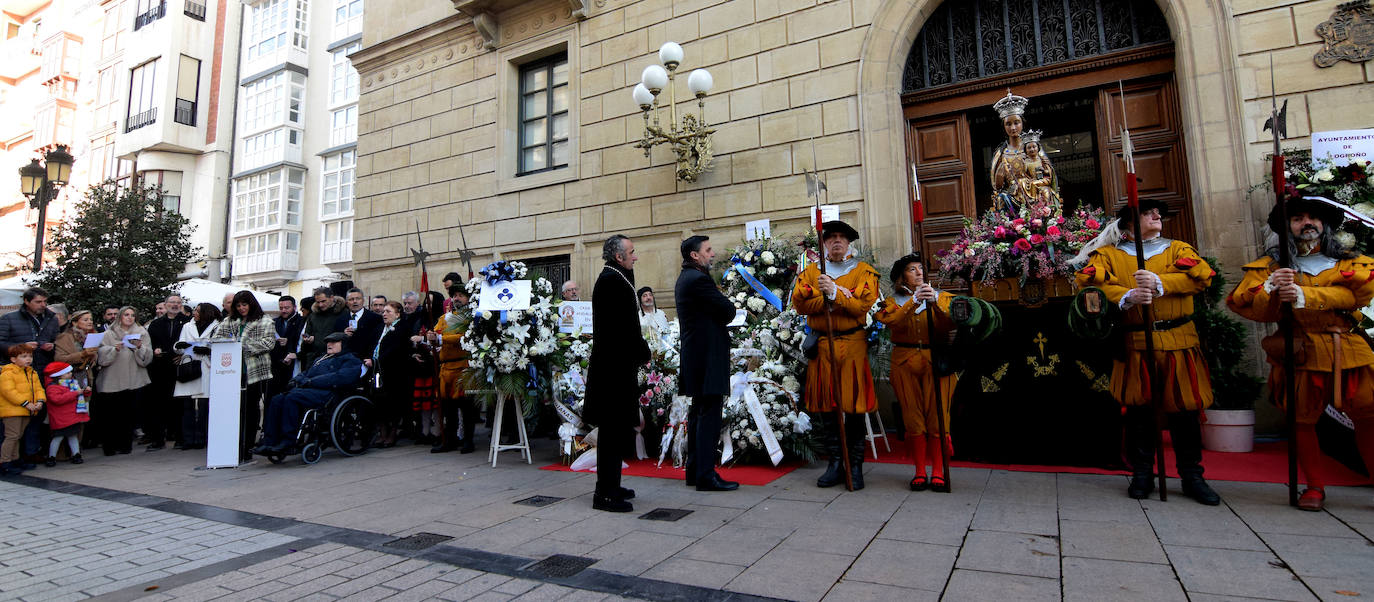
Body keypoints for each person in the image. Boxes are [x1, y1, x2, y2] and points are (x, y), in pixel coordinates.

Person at [1228, 196, 1374, 511]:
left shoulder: (1350, 261)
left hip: (1348, 348)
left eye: (1312, 218)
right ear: (1286, 228)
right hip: (1301, 351)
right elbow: (1250, 307)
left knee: (1369, 417)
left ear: (1325, 225)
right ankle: (1315, 487)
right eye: (1297, 219)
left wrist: (1306, 294)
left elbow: (1358, 293)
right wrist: (1271, 289)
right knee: (1302, 421)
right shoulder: (1270, 266)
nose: (1306, 223)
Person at [1074, 199, 1220, 505]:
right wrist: (1126, 295)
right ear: (1130, 221)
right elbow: (1088, 284)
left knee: (1185, 412)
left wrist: (1160, 282)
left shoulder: (1179, 249)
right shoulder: (1107, 255)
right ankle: (1143, 474)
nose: (1157, 216)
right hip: (1137, 343)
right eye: (1148, 213)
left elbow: (1202, 278)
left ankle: (1192, 475)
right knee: (1139, 413)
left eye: (1158, 213)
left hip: (1180, 342)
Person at [792, 220, 880, 490]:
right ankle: (835, 463)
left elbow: (861, 305)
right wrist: (830, 297)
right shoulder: (811, 273)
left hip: (852, 345)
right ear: (825, 243)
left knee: (854, 408)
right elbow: (800, 303)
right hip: (823, 347)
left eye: (842, 237)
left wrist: (836, 296)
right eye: (832, 238)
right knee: (828, 410)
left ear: (849, 242)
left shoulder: (865, 272)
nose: (837, 241)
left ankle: (855, 465)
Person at [875, 253, 958, 492]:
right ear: (902, 276)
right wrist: (913, 302)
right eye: (912, 269)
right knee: (913, 417)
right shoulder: (892, 302)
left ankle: (939, 471)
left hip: (936, 362)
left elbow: (952, 322)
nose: (919, 272)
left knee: (938, 416)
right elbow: (892, 322)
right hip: (904, 364)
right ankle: (920, 471)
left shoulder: (941, 297)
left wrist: (934, 303)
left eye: (921, 268)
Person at [584, 234, 651, 512]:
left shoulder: (618, 277)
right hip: (612, 370)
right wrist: (642, 351)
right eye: (631, 252)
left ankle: (613, 483)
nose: (635, 256)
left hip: (619, 366)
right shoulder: (611, 281)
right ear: (618, 256)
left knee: (619, 428)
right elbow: (622, 328)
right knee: (611, 432)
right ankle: (605, 493)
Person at [674, 235, 739, 492]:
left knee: (699, 412)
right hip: (707, 357)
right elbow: (728, 311)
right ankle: (705, 475)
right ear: (694, 255)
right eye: (708, 250)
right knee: (709, 414)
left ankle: (695, 471)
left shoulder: (687, 277)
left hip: (697, 356)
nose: (712, 254)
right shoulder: (699, 279)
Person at [253, 332, 362, 455]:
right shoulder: (321, 358)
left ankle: (288, 441)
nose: (329, 344)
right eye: (328, 342)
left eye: (333, 342)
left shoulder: (351, 360)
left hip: (329, 394)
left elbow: (339, 378)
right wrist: (296, 380)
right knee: (277, 399)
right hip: (310, 389)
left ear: (344, 344)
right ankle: (270, 441)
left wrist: (311, 382)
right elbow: (306, 373)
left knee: (292, 398)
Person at [0, 287, 60, 463]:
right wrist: (21, 346)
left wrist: (51, 347)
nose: (43, 305)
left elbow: (56, 340)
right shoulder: (9, 319)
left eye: (44, 301)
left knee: (37, 415)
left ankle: (30, 452)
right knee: (14, 421)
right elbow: (1, 343)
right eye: (38, 302)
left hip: (40, 372)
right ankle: (8, 459)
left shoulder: (51, 319)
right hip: (16, 375)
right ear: (26, 301)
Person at [219, 291, 277, 462]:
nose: (242, 308)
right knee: (234, 410)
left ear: (251, 304)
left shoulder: (265, 320)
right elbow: (217, 338)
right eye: (238, 305)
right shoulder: (230, 320)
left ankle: (248, 446)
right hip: (230, 372)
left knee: (250, 410)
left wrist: (240, 344)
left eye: (244, 304)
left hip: (254, 372)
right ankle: (232, 445)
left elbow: (268, 343)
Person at [96, 307, 152, 455]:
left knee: (128, 414)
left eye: (133, 315)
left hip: (133, 379)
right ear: (120, 317)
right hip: (111, 380)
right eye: (126, 315)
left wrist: (139, 347)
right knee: (110, 416)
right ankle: (109, 447)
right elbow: (100, 355)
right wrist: (114, 349)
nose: (130, 317)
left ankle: (125, 445)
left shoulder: (142, 333)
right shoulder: (108, 333)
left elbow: (147, 358)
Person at [432, 283, 476, 453]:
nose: (456, 298)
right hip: (446, 368)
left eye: (460, 295)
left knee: (466, 407)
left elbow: (466, 336)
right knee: (448, 408)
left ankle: (468, 441)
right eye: (454, 295)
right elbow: (436, 333)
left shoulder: (472, 317)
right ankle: (449, 440)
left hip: (463, 365)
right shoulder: (445, 318)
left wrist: (442, 339)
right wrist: (430, 337)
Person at [144, 294, 190, 451]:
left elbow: (191, 343)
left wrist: (182, 355)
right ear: (166, 304)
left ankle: (179, 438)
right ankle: (158, 439)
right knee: (158, 405)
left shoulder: (187, 323)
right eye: (172, 302)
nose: (175, 305)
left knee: (179, 405)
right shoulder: (156, 324)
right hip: (159, 368)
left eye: (178, 302)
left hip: (178, 367)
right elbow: (150, 342)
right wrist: (154, 350)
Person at [172, 303, 221, 450]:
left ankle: (201, 438)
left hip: (206, 367)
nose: (195, 313)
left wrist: (208, 350)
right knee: (187, 405)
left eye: (198, 311)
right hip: (190, 365)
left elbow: (218, 345)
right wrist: (179, 347)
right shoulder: (188, 326)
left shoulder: (217, 326)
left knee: (204, 405)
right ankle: (188, 439)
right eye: (195, 310)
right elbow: (179, 345)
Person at [368, 301, 412, 447]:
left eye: (388, 311)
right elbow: (373, 345)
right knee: (378, 400)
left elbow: (396, 349)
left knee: (393, 403)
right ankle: (382, 433)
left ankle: (392, 434)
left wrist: (377, 360)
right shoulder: (380, 328)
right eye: (384, 312)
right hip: (377, 371)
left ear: (398, 314)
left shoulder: (402, 328)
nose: (384, 314)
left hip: (394, 372)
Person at [0, 344, 44, 475]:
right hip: (12, 410)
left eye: (30, 356)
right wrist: (25, 403)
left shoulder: (32, 372)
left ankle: (15, 459)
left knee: (18, 436)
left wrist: (40, 401)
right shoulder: (7, 373)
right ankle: (5, 462)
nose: (28, 359)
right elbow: (8, 392)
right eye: (23, 356)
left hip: (27, 409)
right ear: (13, 359)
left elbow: (39, 389)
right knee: (12, 436)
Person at [990, 91, 1031, 215]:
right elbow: (997, 186)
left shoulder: (1031, 148)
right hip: (1010, 197)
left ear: (1022, 123)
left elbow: (1044, 174)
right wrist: (1001, 173)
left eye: (1016, 123)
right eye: (1008, 124)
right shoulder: (1001, 153)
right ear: (1004, 126)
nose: (1013, 128)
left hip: (1031, 193)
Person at [42, 362, 89, 466]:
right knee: (58, 438)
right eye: (67, 373)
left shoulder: (72, 384)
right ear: (58, 375)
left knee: (72, 436)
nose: (70, 374)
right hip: (60, 418)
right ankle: (51, 456)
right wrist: (75, 393)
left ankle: (76, 455)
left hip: (71, 416)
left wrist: (85, 392)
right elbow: (57, 399)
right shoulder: (52, 387)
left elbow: (78, 395)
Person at [336, 288, 384, 361]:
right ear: (346, 302)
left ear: (363, 300)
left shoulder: (376, 319)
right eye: (351, 299)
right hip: (345, 359)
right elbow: (335, 339)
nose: (355, 301)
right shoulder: (340, 320)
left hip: (367, 359)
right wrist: (343, 335)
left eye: (358, 299)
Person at [301, 287, 345, 368]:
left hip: (336, 359)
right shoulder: (313, 315)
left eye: (323, 301)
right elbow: (307, 333)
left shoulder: (344, 313)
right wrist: (308, 339)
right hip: (315, 359)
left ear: (331, 298)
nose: (320, 305)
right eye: (318, 302)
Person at [270, 296, 304, 398]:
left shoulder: (302, 321)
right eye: (281, 308)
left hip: (294, 365)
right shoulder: (274, 322)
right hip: (276, 366)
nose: (283, 310)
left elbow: (301, 342)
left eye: (287, 308)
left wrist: (288, 342)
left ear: (294, 307)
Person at [54, 310, 98, 388]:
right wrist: (82, 354)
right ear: (74, 323)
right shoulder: (65, 337)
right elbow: (59, 359)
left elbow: (93, 359)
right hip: (69, 377)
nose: (90, 322)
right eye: (85, 320)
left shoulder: (92, 336)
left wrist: (93, 357)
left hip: (86, 376)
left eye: (91, 319)